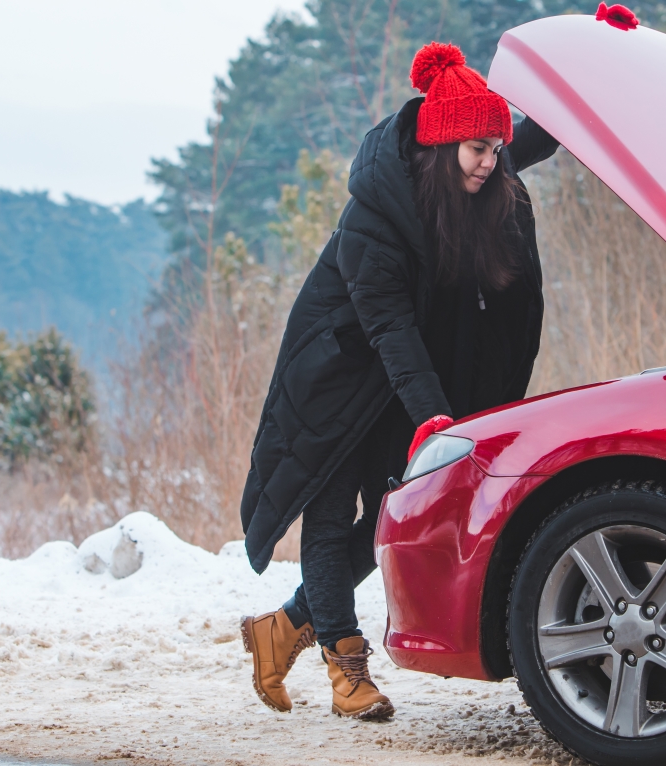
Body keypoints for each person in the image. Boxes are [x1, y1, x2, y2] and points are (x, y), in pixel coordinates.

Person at [238, 41, 560, 720]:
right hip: (337, 378)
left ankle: (282, 629)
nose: (490, 162)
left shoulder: (473, 181)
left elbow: (534, 141)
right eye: (477, 149)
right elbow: (389, 329)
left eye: (493, 149)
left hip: (399, 378)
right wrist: (434, 417)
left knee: (391, 512)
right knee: (329, 521)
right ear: (443, 148)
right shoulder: (374, 217)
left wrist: (597, 67)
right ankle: (346, 670)